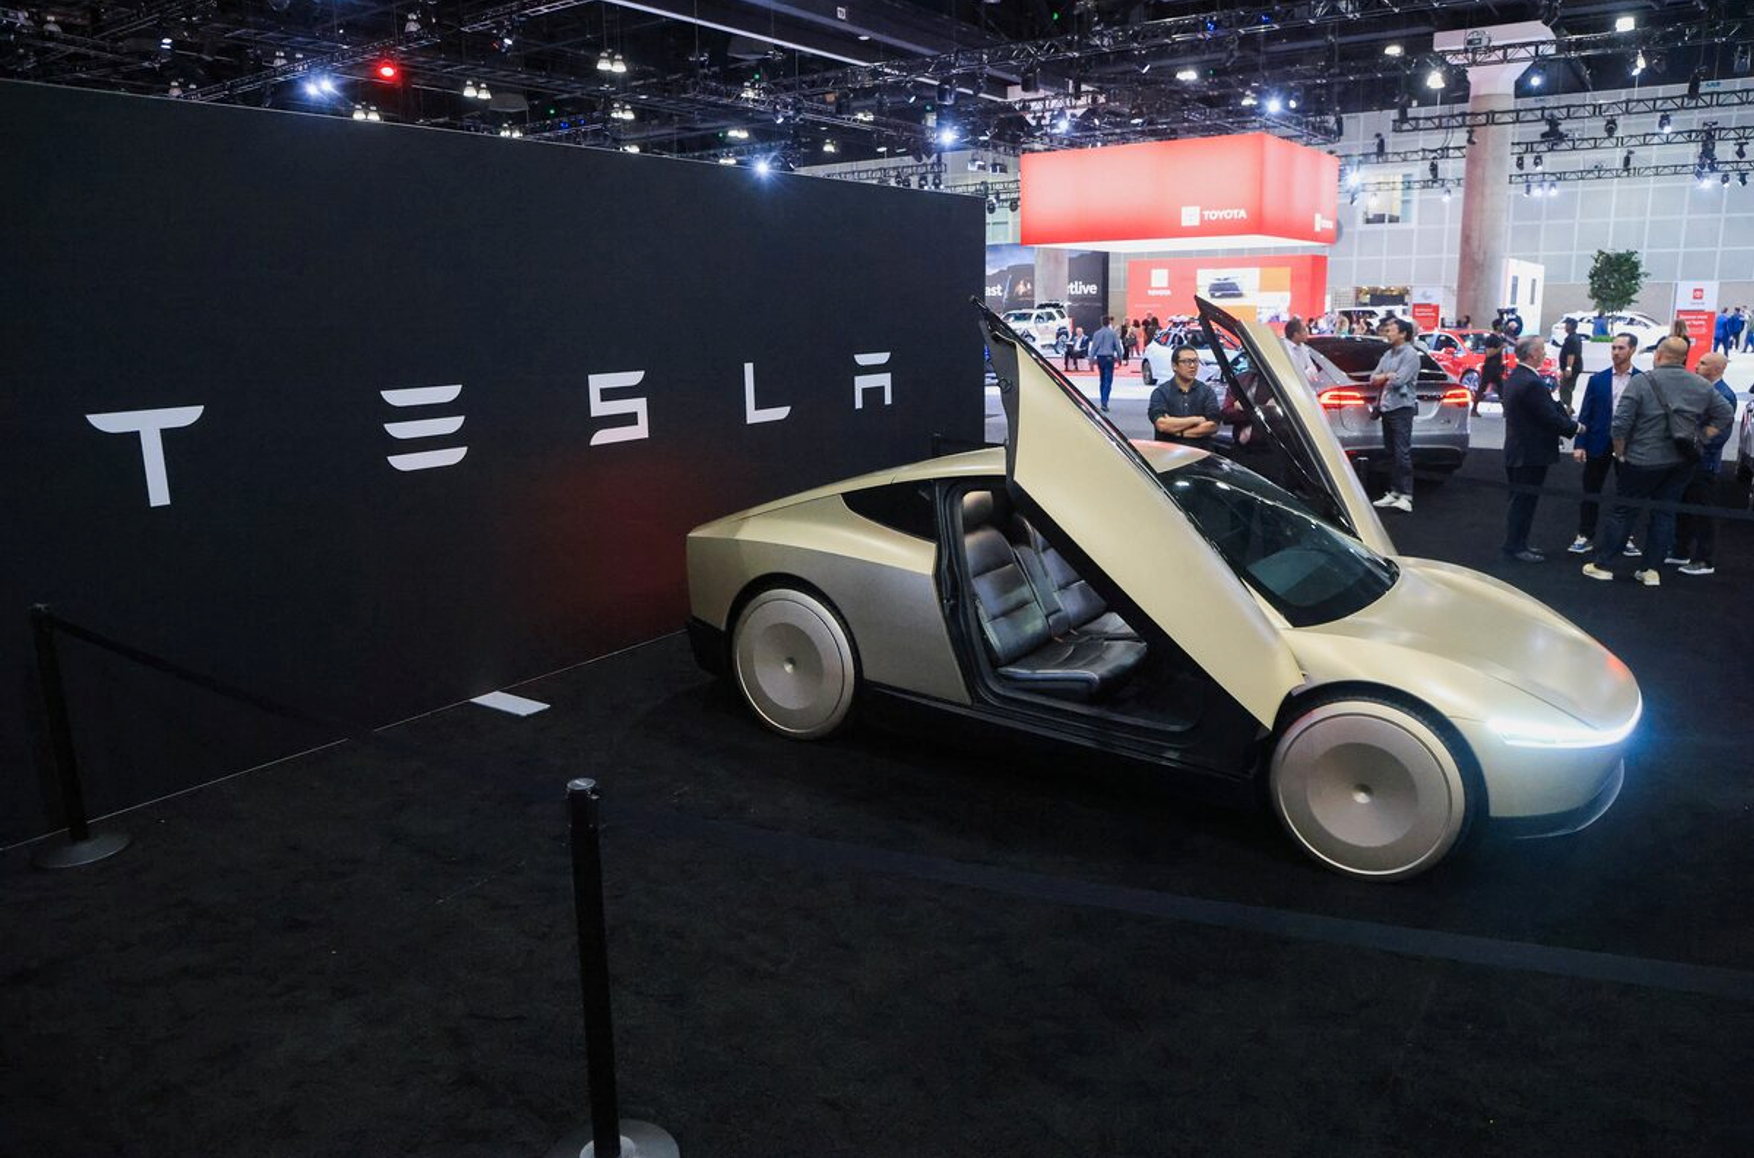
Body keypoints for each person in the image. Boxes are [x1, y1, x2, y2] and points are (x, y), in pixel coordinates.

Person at [1582, 337, 1733, 587]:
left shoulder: (1642, 381)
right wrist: (1704, 436)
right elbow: (1725, 413)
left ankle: (1604, 565)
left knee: (1624, 512)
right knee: (1664, 514)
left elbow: (1620, 424)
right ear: (1684, 358)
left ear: (1659, 355)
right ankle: (1651, 570)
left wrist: (1620, 453)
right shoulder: (1699, 384)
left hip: (1642, 459)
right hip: (1681, 461)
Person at [1500, 335, 1580, 562]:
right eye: (1542, 349)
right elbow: (1548, 416)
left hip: (1518, 450)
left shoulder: (1516, 377)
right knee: (1524, 502)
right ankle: (1516, 546)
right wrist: (1576, 428)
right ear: (1533, 353)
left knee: (1520, 501)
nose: (1545, 353)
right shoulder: (1531, 382)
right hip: (1530, 453)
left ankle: (1517, 543)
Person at [1569, 332, 1644, 554]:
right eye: (1614, 348)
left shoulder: (1642, 380)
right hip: (1598, 441)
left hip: (1630, 445)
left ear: (1632, 350)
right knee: (1590, 490)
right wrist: (1579, 444)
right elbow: (1586, 414)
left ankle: (1625, 536)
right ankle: (1585, 534)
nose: (1616, 352)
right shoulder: (1597, 380)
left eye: (1621, 348)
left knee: (1628, 492)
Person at [1671, 352, 1737, 576]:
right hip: (1690, 460)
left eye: (1703, 363)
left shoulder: (1724, 395)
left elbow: (1719, 434)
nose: (1696, 366)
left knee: (1702, 512)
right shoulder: (1702, 390)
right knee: (1685, 508)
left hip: (1704, 463)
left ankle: (1703, 560)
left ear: (1717, 369)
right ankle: (1681, 550)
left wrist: (1693, 447)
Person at [1369, 317, 1421, 513]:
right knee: (1391, 452)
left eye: (1391, 330)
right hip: (1386, 407)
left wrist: (1386, 377)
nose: (1387, 333)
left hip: (1402, 408)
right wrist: (1386, 376)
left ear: (1403, 334)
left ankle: (1406, 495)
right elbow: (1373, 378)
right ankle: (1395, 491)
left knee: (1402, 452)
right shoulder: (1388, 354)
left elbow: (1399, 380)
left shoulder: (1411, 355)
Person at [1147, 346, 1221, 449]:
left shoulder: (1207, 392)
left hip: (1200, 453)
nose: (1192, 366)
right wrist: (1197, 419)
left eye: (1195, 361)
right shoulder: (1161, 392)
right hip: (1168, 453)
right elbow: (1162, 424)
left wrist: (1179, 432)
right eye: (1186, 361)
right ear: (1174, 366)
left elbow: (1213, 425)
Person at [1087, 316, 1122, 412]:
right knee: (1108, 380)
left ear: (1101, 322)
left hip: (1100, 357)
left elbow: (1094, 347)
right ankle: (1105, 402)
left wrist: (1091, 360)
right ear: (1109, 323)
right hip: (1109, 357)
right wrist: (1120, 358)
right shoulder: (1113, 333)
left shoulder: (1097, 333)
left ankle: (1102, 400)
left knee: (1102, 379)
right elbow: (1117, 346)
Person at [1475, 322, 1506, 416]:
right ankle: (1474, 408)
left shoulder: (1500, 338)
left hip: (1496, 368)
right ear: (1497, 326)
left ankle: (1506, 411)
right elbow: (1489, 353)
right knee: (1482, 388)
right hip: (1490, 368)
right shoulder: (1491, 339)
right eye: (1501, 325)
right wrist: (1501, 348)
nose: (1503, 327)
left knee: (1501, 389)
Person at [1282, 316, 1319, 388]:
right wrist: (1307, 372)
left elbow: (1314, 371)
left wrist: (1306, 372)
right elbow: (1297, 377)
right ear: (1296, 334)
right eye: (1304, 330)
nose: (1307, 332)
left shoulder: (1302, 346)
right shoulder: (1285, 349)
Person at [1557, 317, 1585, 410]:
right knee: (1565, 387)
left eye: (1566, 324)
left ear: (1570, 326)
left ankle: (1567, 408)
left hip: (1572, 368)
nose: (1565, 326)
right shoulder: (1574, 337)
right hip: (1574, 367)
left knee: (1565, 388)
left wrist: (1569, 368)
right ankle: (1568, 407)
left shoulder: (1572, 339)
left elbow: (1571, 354)